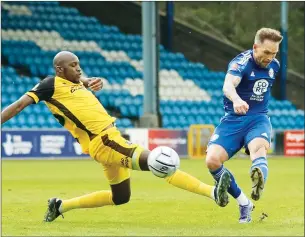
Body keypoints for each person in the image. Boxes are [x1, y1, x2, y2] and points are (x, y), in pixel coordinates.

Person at [1, 51, 231, 222]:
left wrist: (87, 81)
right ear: (60, 69)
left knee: (120, 197)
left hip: (108, 140)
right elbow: (20, 104)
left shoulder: (74, 82)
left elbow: (79, 82)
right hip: (103, 141)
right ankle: (213, 193)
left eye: (79, 64)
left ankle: (60, 206)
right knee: (160, 162)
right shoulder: (49, 85)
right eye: (73, 66)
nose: (79, 69)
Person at [205, 28, 283, 223]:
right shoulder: (241, 63)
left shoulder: (275, 65)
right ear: (255, 47)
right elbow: (228, 86)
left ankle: (258, 179)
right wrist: (237, 100)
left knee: (258, 150)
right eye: (266, 52)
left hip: (258, 118)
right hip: (233, 118)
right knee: (212, 161)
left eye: (274, 53)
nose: (270, 58)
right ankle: (244, 203)